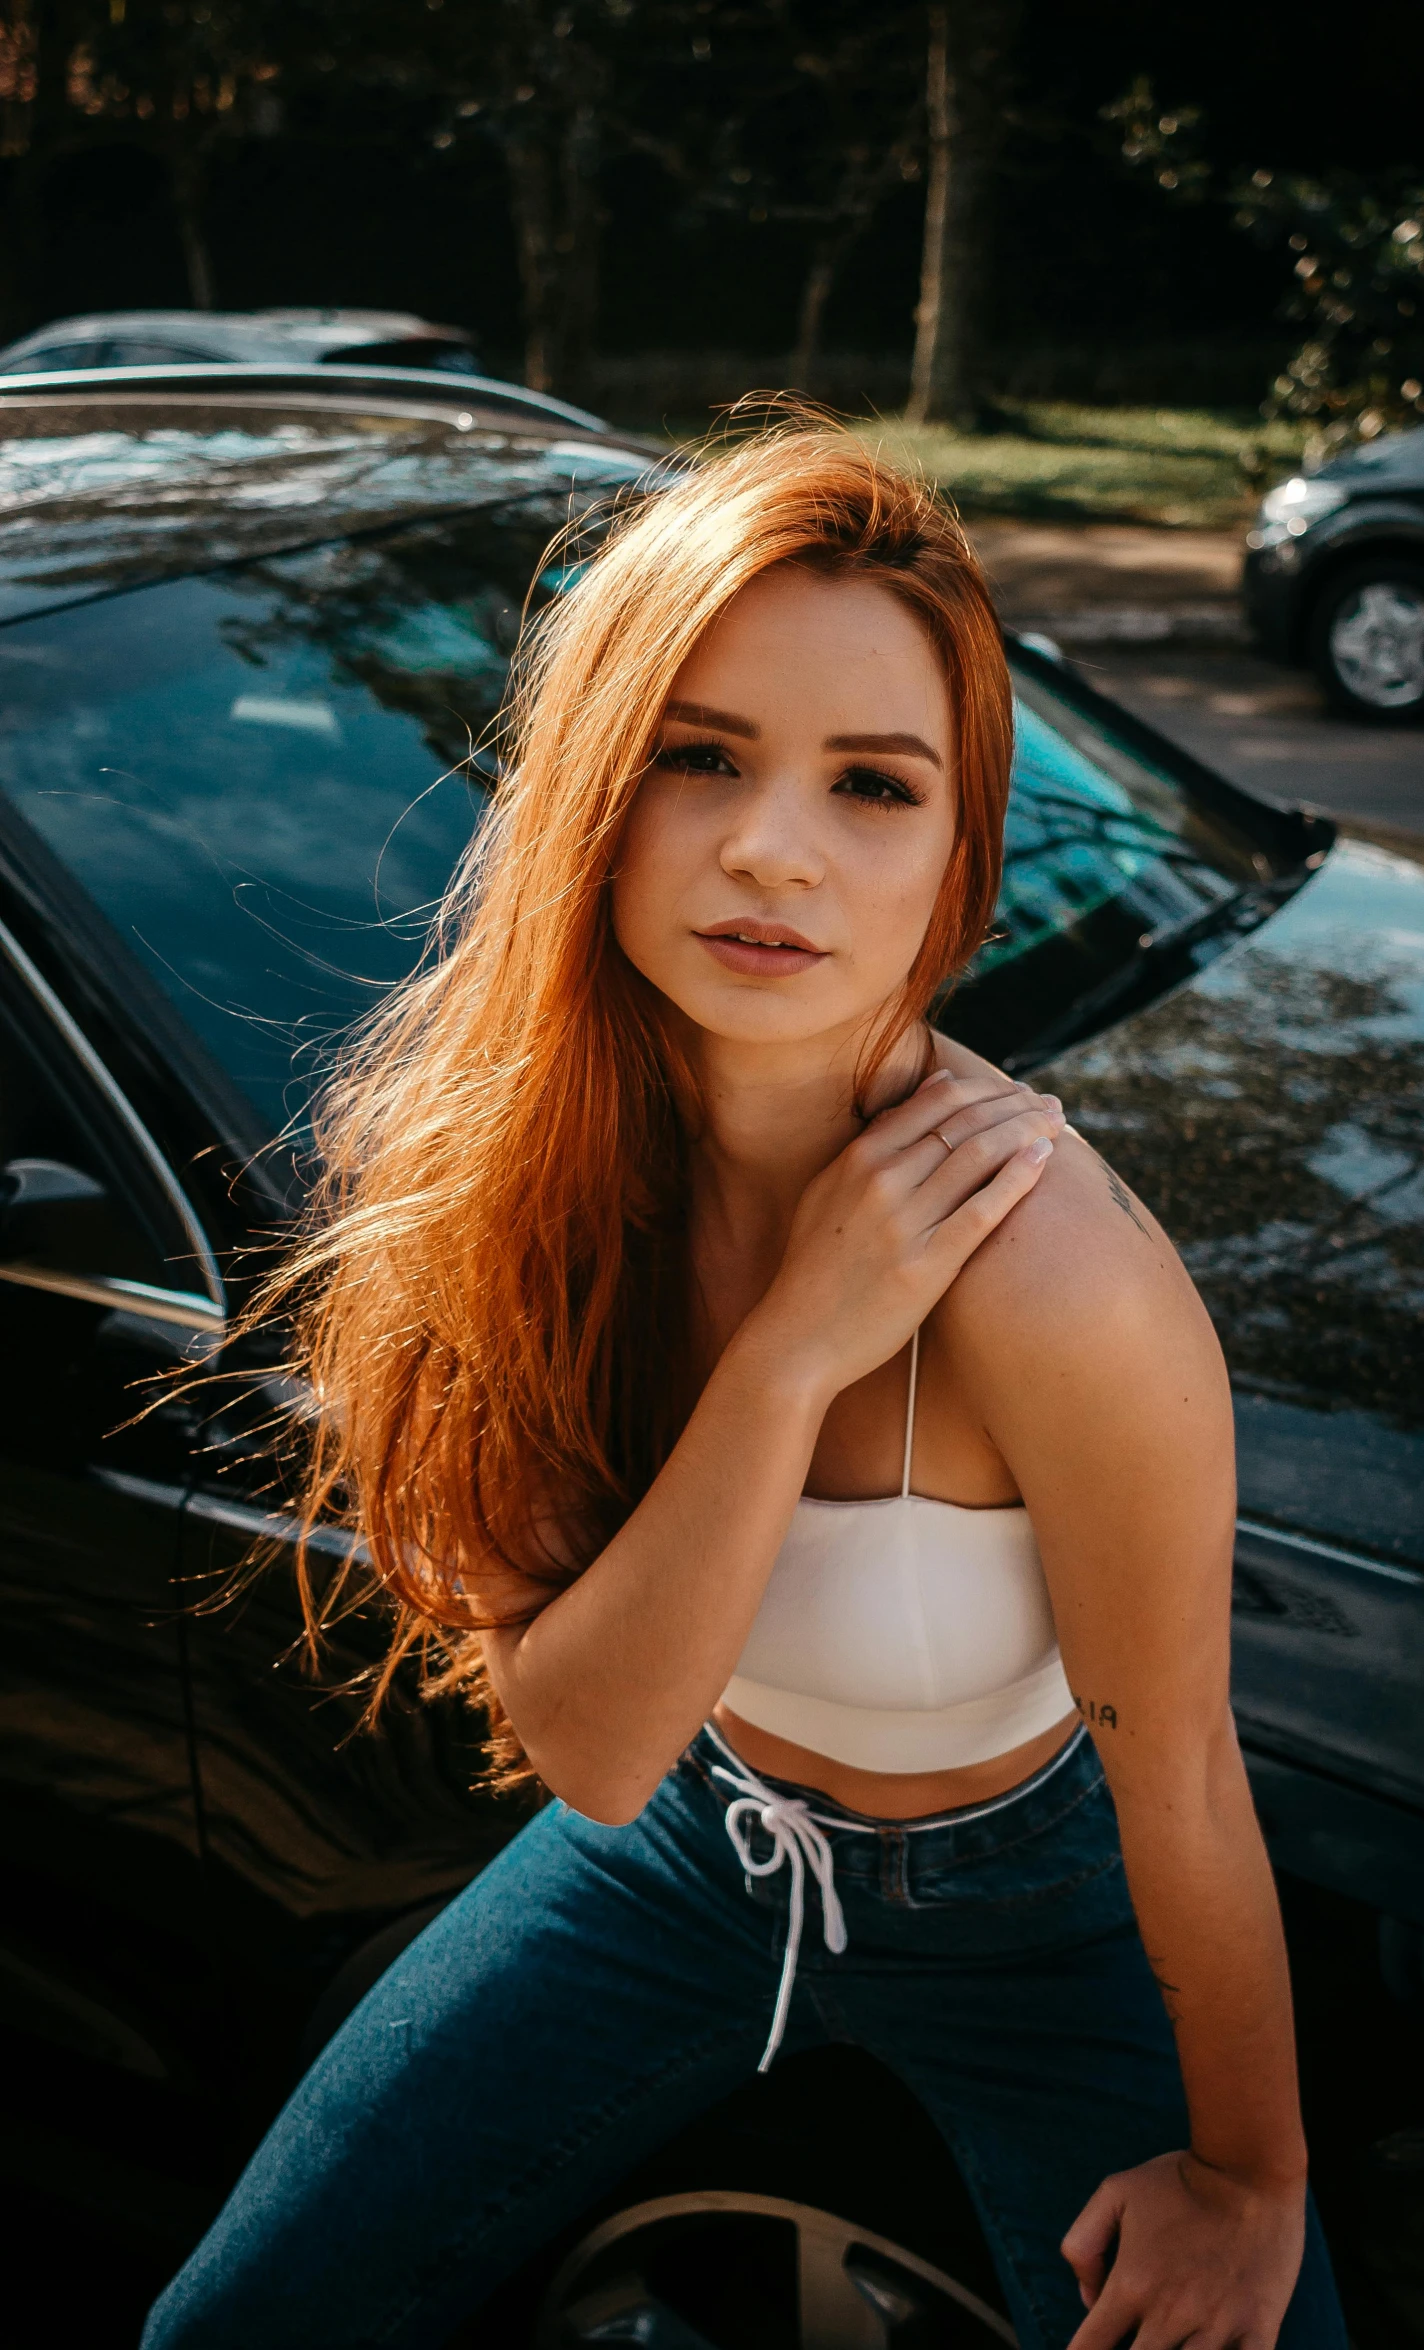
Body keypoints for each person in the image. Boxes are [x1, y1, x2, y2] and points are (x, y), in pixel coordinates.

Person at [144, 420, 1347, 2350]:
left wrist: (1250, 2175)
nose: (771, 846)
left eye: (872, 785)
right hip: (688, 1853)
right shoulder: (501, 1187)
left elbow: (1185, 1770)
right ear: (591, 797)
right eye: (698, 755)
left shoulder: (1050, 1271)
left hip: (1043, 1913)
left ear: (960, 856)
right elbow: (597, 1748)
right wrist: (796, 1345)